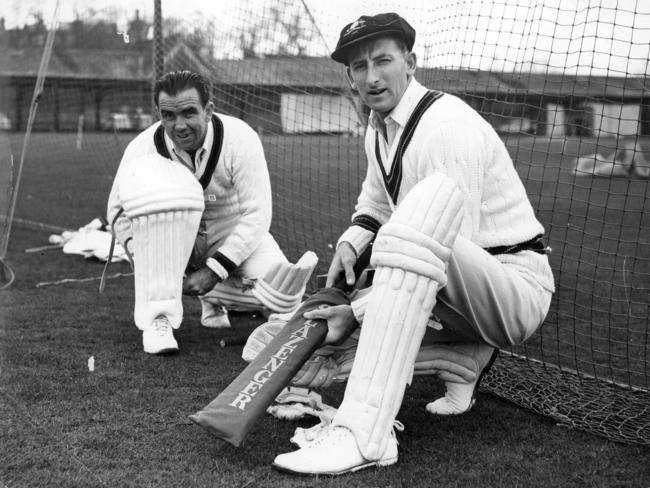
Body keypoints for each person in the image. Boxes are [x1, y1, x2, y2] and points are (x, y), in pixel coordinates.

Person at [260, 13, 555, 475]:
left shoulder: (446, 125)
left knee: (410, 241)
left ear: (411, 62)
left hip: (513, 289)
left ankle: (366, 435)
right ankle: (462, 361)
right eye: (359, 67)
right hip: (456, 293)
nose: (371, 77)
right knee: (333, 327)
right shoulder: (379, 127)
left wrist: (357, 311)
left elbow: (445, 250)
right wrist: (350, 245)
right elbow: (375, 202)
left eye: (383, 61)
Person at [107, 70, 317, 355]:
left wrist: (215, 270)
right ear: (159, 114)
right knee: (156, 257)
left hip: (228, 230)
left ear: (208, 110)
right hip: (170, 239)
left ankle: (216, 298)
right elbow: (117, 212)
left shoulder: (240, 138)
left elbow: (257, 213)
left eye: (189, 113)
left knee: (282, 294)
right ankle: (159, 320)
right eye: (168, 116)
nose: (179, 126)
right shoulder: (142, 149)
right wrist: (146, 260)